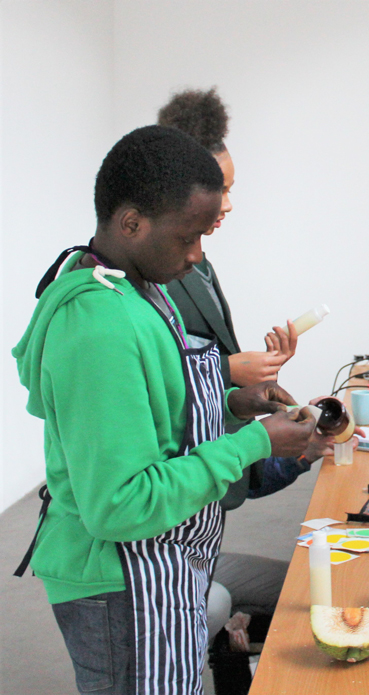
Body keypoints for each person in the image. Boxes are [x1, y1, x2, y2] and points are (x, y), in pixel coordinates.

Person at [12, 125, 316, 694]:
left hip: (158, 565)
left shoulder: (136, 286)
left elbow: (155, 404)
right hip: (118, 585)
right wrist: (257, 442)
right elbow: (120, 505)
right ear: (132, 223)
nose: (198, 255)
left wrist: (233, 402)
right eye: (189, 238)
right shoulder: (98, 325)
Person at [158, 87, 331, 630]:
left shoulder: (199, 266)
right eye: (221, 190)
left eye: (230, 189)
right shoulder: (136, 291)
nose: (228, 205)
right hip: (171, 540)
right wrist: (230, 375)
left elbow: (219, 412)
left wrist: (246, 389)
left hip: (204, 518)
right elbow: (169, 388)